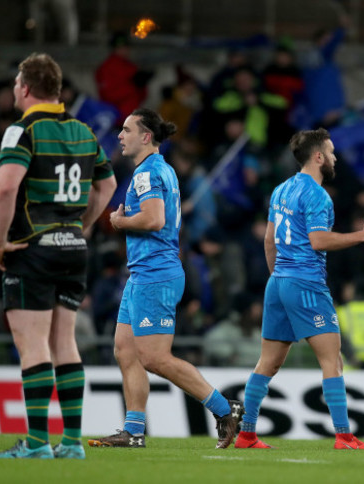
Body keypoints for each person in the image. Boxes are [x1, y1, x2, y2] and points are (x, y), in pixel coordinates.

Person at [87, 108, 244, 449]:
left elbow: (155, 219)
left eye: (127, 130)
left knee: (155, 358)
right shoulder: (164, 170)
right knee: (125, 351)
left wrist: (120, 222)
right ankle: (134, 431)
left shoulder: (146, 173)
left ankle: (224, 407)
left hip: (155, 274)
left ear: (146, 137)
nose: (120, 135)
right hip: (145, 272)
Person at [0, 53, 117, 459]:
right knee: (66, 343)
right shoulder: (82, 131)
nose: (13, 91)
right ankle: (73, 443)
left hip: (32, 248)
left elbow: (5, 188)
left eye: (15, 85)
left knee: (33, 346)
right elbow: (108, 185)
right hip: (74, 250)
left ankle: (38, 443)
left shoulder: (22, 130)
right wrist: (83, 226)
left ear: (25, 88)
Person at [235, 128, 364, 450]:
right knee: (332, 361)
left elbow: (268, 240)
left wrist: (279, 279)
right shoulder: (319, 195)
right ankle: (344, 436)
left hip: (277, 283)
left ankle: (246, 435)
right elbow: (319, 241)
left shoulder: (281, 190)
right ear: (318, 156)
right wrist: (361, 237)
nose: (335, 158)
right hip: (306, 283)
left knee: (267, 363)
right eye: (331, 152)